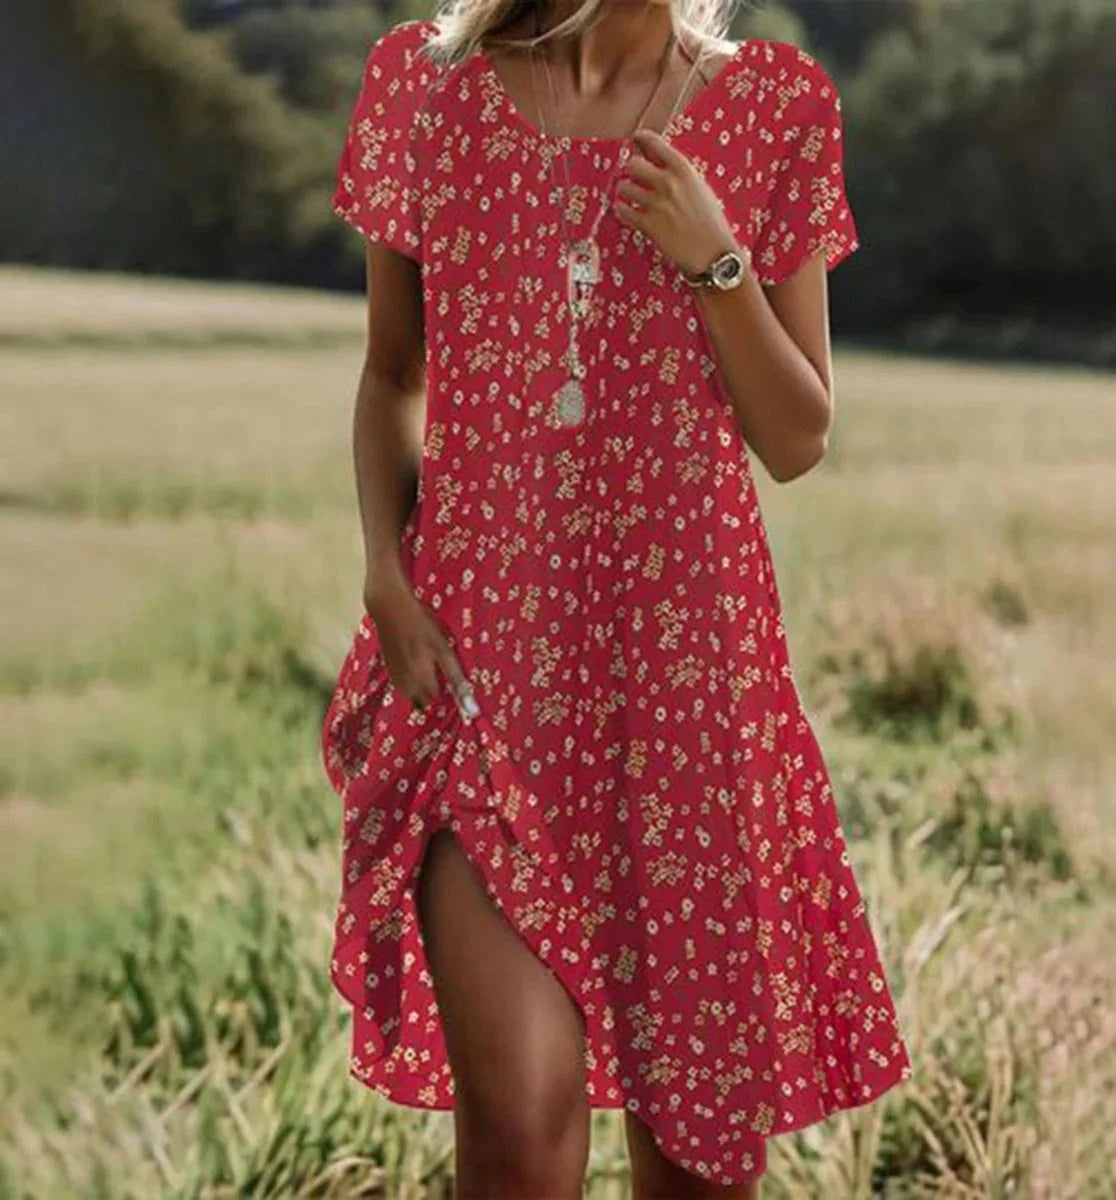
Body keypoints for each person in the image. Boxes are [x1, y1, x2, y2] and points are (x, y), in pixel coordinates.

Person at [320, 1, 912, 1195]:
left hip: (689, 691)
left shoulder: (775, 106)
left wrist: (717, 258)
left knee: (698, 1160)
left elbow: (796, 435)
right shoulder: (423, 85)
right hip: (483, 675)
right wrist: (387, 570)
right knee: (521, 1129)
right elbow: (393, 373)